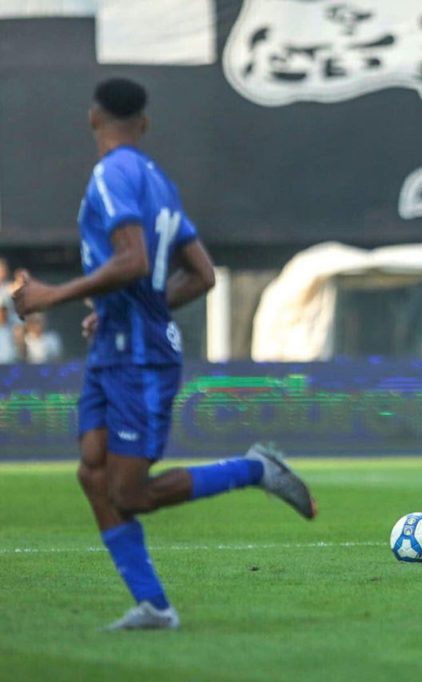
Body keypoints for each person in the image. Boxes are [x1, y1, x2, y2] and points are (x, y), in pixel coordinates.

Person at [12, 78, 316, 631]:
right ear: (144, 124)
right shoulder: (158, 181)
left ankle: (254, 469)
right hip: (114, 346)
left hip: (140, 359)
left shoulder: (110, 175)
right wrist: (112, 310)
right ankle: (153, 605)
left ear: (92, 117)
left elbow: (132, 260)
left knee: (129, 493)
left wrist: (52, 296)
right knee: (91, 471)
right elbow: (200, 275)